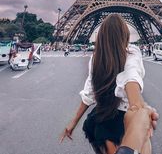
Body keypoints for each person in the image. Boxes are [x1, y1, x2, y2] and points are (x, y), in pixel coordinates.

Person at [60, 14, 154, 154]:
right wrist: (137, 108)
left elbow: (89, 93)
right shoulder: (132, 52)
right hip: (125, 120)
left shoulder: (96, 57)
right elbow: (131, 75)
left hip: (104, 120)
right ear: (125, 34)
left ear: (101, 35)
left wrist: (73, 122)